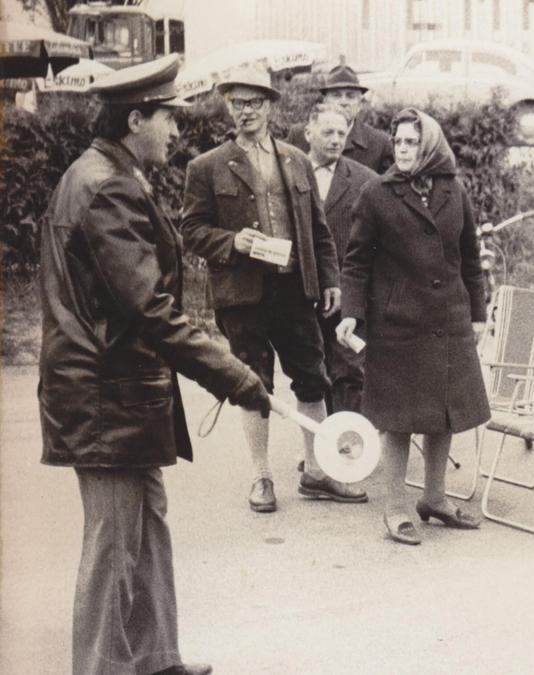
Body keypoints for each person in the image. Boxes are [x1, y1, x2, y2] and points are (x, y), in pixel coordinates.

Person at [38, 54, 271, 675]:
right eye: (167, 117)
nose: (177, 130)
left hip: (118, 395)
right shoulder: (105, 186)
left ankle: (153, 659)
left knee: (146, 531)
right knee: (114, 547)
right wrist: (234, 374)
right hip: (103, 398)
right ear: (135, 118)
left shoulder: (109, 173)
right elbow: (148, 308)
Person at [181, 64, 366, 512]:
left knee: (312, 377)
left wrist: (330, 279)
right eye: (237, 103)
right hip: (242, 296)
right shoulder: (205, 167)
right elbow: (191, 231)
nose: (245, 112)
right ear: (228, 106)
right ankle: (261, 476)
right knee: (253, 385)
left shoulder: (295, 159)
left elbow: (319, 231)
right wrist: (231, 242)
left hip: (294, 291)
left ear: (270, 106)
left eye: (254, 103)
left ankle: (319, 471)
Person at [336, 108, 490, 545]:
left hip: (450, 320)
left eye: (411, 143)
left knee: (442, 414)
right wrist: (351, 313)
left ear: (429, 147)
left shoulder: (453, 190)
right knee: (400, 420)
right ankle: (395, 507)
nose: (402, 150)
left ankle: (435, 499)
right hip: (399, 323)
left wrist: (477, 314)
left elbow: (471, 258)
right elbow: (357, 262)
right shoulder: (377, 194)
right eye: (398, 142)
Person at [306, 103, 375, 414]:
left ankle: (348, 446)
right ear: (308, 133)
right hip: (301, 292)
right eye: (327, 132)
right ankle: (319, 444)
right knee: (309, 372)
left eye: (341, 133)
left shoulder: (365, 181)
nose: (335, 139)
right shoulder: (288, 173)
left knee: (349, 369)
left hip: (348, 291)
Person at [288, 64, 393, 174]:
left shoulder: (379, 144)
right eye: (336, 95)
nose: (343, 102)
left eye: (350, 96)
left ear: (360, 104)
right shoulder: (299, 136)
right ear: (325, 101)